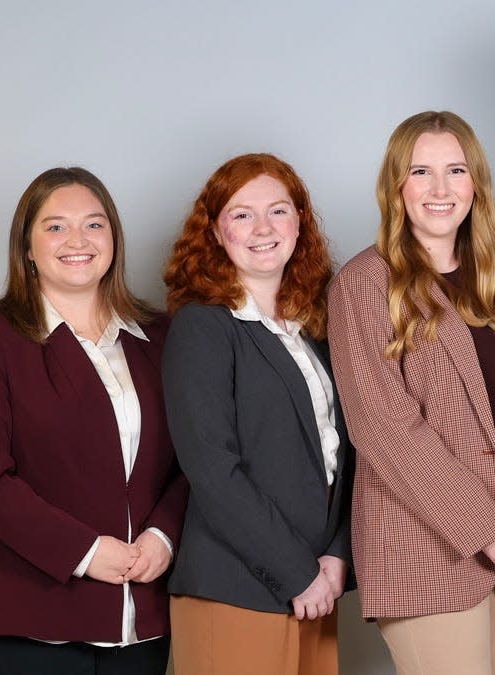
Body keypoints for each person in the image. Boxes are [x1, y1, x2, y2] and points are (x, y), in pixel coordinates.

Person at [328, 110, 495, 675]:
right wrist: (485, 529)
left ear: (475, 185)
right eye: (421, 172)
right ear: (397, 187)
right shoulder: (365, 284)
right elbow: (383, 429)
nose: (440, 189)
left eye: (456, 171)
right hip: (425, 528)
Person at [0, 167, 186, 674]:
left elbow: (195, 458)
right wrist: (86, 552)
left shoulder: (162, 338)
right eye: (55, 226)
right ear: (26, 246)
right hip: (26, 617)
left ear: (113, 238)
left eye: (94, 225)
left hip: (143, 617)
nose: (78, 240)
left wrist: (165, 535)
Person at [161, 153, 353, 675]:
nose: (263, 228)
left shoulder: (315, 328)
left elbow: (345, 452)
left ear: (300, 224)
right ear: (216, 232)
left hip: (318, 584)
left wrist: (338, 555)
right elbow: (212, 470)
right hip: (237, 587)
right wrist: (297, 573)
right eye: (242, 214)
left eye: (279, 211)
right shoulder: (203, 327)